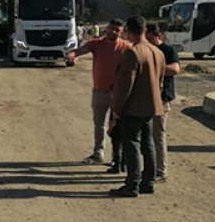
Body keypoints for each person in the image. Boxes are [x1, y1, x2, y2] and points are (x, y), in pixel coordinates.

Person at [109, 16, 166, 198]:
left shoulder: (132, 53)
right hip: (152, 106)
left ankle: (132, 184)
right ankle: (148, 182)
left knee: (131, 144)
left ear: (128, 31)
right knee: (148, 143)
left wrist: (116, 109)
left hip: (133, 108)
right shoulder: (157, 52)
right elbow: (160, 82)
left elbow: (125, 85)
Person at [67, 18, 132, 167]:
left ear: (122, 32)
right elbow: (80, 50)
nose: (113, 32)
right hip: (100, 91)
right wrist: (72, 55)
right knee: (99, 124)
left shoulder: (126, 47)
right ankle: (98, 154)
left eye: (117, 30)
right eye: (111, 28)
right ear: (107, 28)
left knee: (117, 125)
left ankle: (118, 158)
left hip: (118, 94)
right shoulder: (96, 44)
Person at [146, 23, 180, 181]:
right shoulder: (146, 49)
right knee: (146, 137)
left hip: (162, 99)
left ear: (157, 35)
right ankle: (149, 169)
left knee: (158, 136)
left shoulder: (168, 50)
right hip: (146, 98)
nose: (147, 38)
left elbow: (174, 69)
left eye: (149, 36)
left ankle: (161, 171)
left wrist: (155, 68)